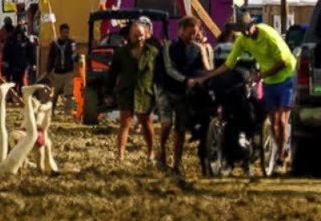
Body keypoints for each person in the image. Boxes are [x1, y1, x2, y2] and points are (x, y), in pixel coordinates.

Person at [192, 13, 296, 170]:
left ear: (253, 24)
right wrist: (207, 77)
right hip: (269, 80)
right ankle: (279, 152)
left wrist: (260, 76)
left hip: (286, 76)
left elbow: (284, 61)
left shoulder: (269, 35)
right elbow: (228, 64)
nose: (246, 33)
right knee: (274, 122)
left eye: (248, 29)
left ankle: (282, 154)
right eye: (243, 31)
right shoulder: (242, 40)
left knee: (282, 121)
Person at [154, 16, 210, 173]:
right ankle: (162, 150)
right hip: (165, 88)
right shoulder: (168, 47)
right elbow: (169, 69)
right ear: (181, 30)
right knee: (166, 124)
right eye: (189, 32)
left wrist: (206, 54)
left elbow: (206, 69)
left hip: (184, 94)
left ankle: (176, 164)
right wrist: (186, 80)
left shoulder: (198, 49)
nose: (192, 36)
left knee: (180, 128)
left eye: (195, 33)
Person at [107, 20, 157, 163]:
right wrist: (108, 93)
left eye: (141, 35)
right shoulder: (121, 53)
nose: (138, 38)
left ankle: (151, 152)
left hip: (145, 92)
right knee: (125, 123)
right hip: (126, 91)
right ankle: (120, 155)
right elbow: (112, 74)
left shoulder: (153, 53)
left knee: (146, 123)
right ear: (129, 36)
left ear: (146, 35)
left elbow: (159, 74)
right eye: (135, 35)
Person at [46, 23, 77, 113]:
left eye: (67, 32)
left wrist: (76, 58)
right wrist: (48, 70)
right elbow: (51, 57)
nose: (65, 34)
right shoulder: (54, 44)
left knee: (68, 93)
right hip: (57, 72)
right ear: (60, 32)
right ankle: (51, 111)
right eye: (64, 32)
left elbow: (74, 55)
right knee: (54, 94)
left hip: (68, 72)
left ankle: (67, 111)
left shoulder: (72, 43)